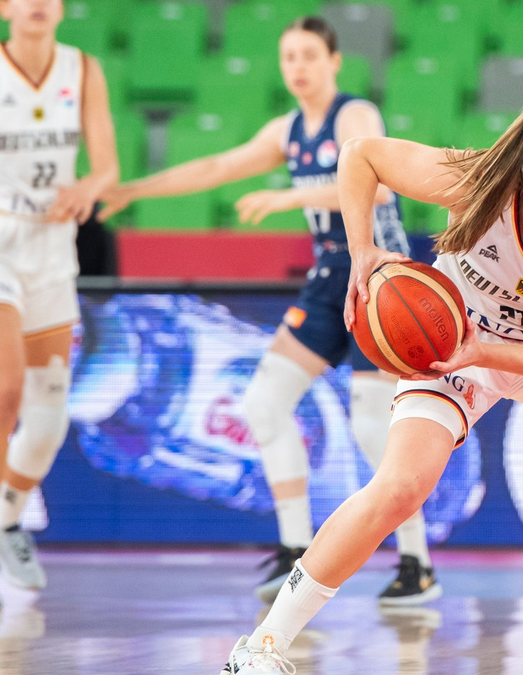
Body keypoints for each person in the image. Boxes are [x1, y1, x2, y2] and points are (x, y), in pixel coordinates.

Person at [220, 96, 523, 675]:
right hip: (450, 349)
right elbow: (359, 155)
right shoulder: (478, 183)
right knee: (399, 488)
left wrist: (486, 351)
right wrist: (361, 251)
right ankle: (262, 646)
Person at [98, 17, 439, 607]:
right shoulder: (288, 130)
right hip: (330, 276)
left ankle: (417, 562)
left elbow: (381, 189)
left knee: (369, 424)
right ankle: (294, 547)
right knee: (263, 401)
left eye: (309, 55)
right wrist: (136, 190)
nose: (298, 67)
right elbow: (215, 168)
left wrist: (289, 195)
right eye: (289, 57)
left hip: (379, 276)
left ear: (334, 61)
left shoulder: (354, 115)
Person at [0, 0, 117, 593]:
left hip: (52, 250)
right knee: (7, 388)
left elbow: (107, 168)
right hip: (1, 240)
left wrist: (88, 187)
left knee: (48, 416)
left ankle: (8, 518)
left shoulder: (83, 69)